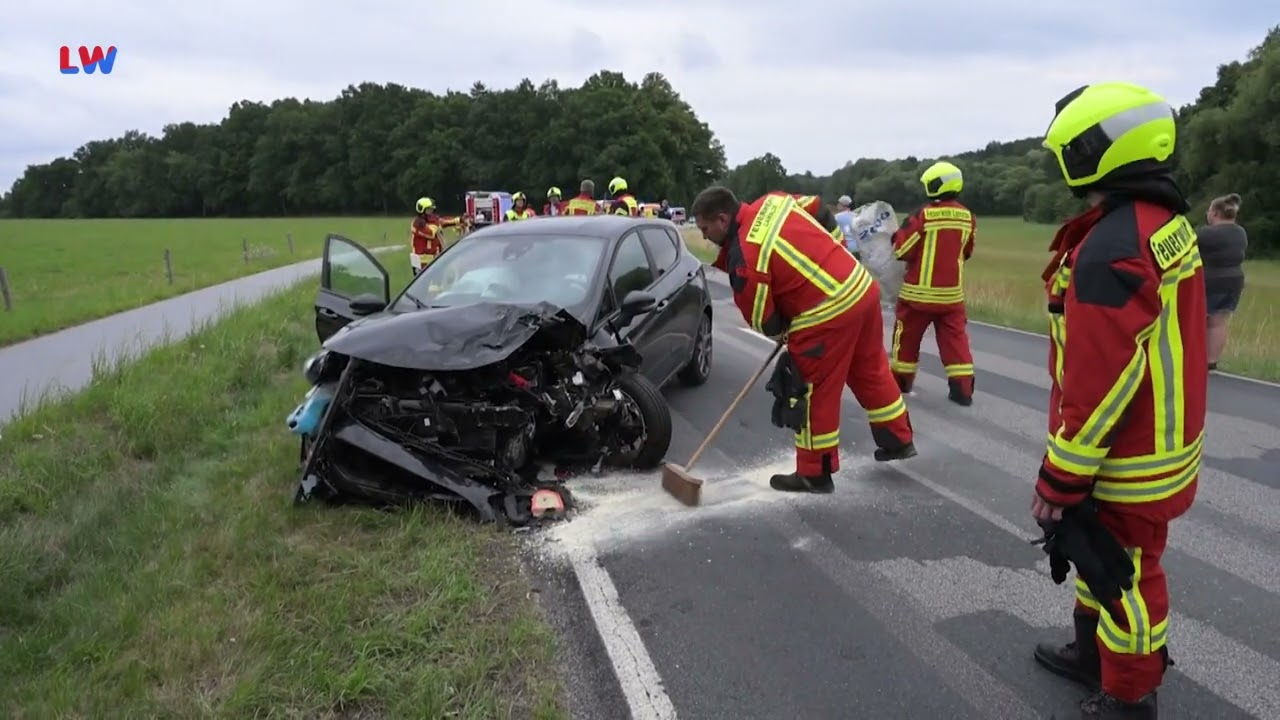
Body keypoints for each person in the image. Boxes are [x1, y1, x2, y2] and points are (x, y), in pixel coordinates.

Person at [1031, 81, 1206, 719]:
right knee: (1094, 550)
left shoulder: (1113, 245)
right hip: (1162, 437)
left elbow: (1101, 381)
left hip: (1126, 454)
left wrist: (1061, 476)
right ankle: (1090, 654)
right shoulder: (1161, 223)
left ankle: (1130, 695)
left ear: (1094, 152)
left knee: (1120, 573)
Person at [692, 186, 917, 493]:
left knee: (812, 393)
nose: (705, 237)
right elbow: (821, 209)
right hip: (859, 288)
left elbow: (762, 317)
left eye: (705, 229)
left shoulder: (744, 254)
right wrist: (835, 251)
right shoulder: (773, 202)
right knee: (871, 371)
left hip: (827, 312)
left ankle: (814, 473)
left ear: (722, 219)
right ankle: (898, 439)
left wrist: (784, 332)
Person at [888, 161, 978, 406]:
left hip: (917, 295)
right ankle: (962, 391)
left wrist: (897, 236)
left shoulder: (923, 215)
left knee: (906, 339)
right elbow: (967, 251)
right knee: (955, 341)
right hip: (952, 296)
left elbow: (902, 250)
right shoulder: (968, 216)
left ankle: (901, 383)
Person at [1196, 193, 1247, 371]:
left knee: (1199, 319)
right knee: (1218, 322)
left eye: (1209, 210)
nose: (1207, 213)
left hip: (1210, 280)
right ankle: (1212, 360)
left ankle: (1196, 357)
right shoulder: (1241, 232)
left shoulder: (1206, 233)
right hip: (1234, 280)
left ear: (1216, 213)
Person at [409, 196, 459, 274]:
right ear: (422, 210)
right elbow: (431, 233)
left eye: (432, 210)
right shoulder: (417, 223)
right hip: (422, 263)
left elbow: (444, 222)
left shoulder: (431, 220)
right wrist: (437, 223)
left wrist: (460, 220)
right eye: (429, 210)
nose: (431, 212)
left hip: (433, 260)